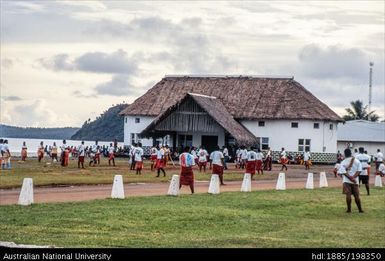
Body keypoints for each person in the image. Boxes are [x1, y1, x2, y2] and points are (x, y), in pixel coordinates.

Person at [337, 148, 364, 213]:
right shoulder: (357, 161)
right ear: (351, 153)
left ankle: (349, 210)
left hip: (346, 181)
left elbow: (343, 172)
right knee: (357, 196)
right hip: (355, 181)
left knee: (348, 195)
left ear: (345, 154)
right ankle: (360, 209)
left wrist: (350, 178)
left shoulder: (343, 162)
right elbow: (359, 170)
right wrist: (353, 177)